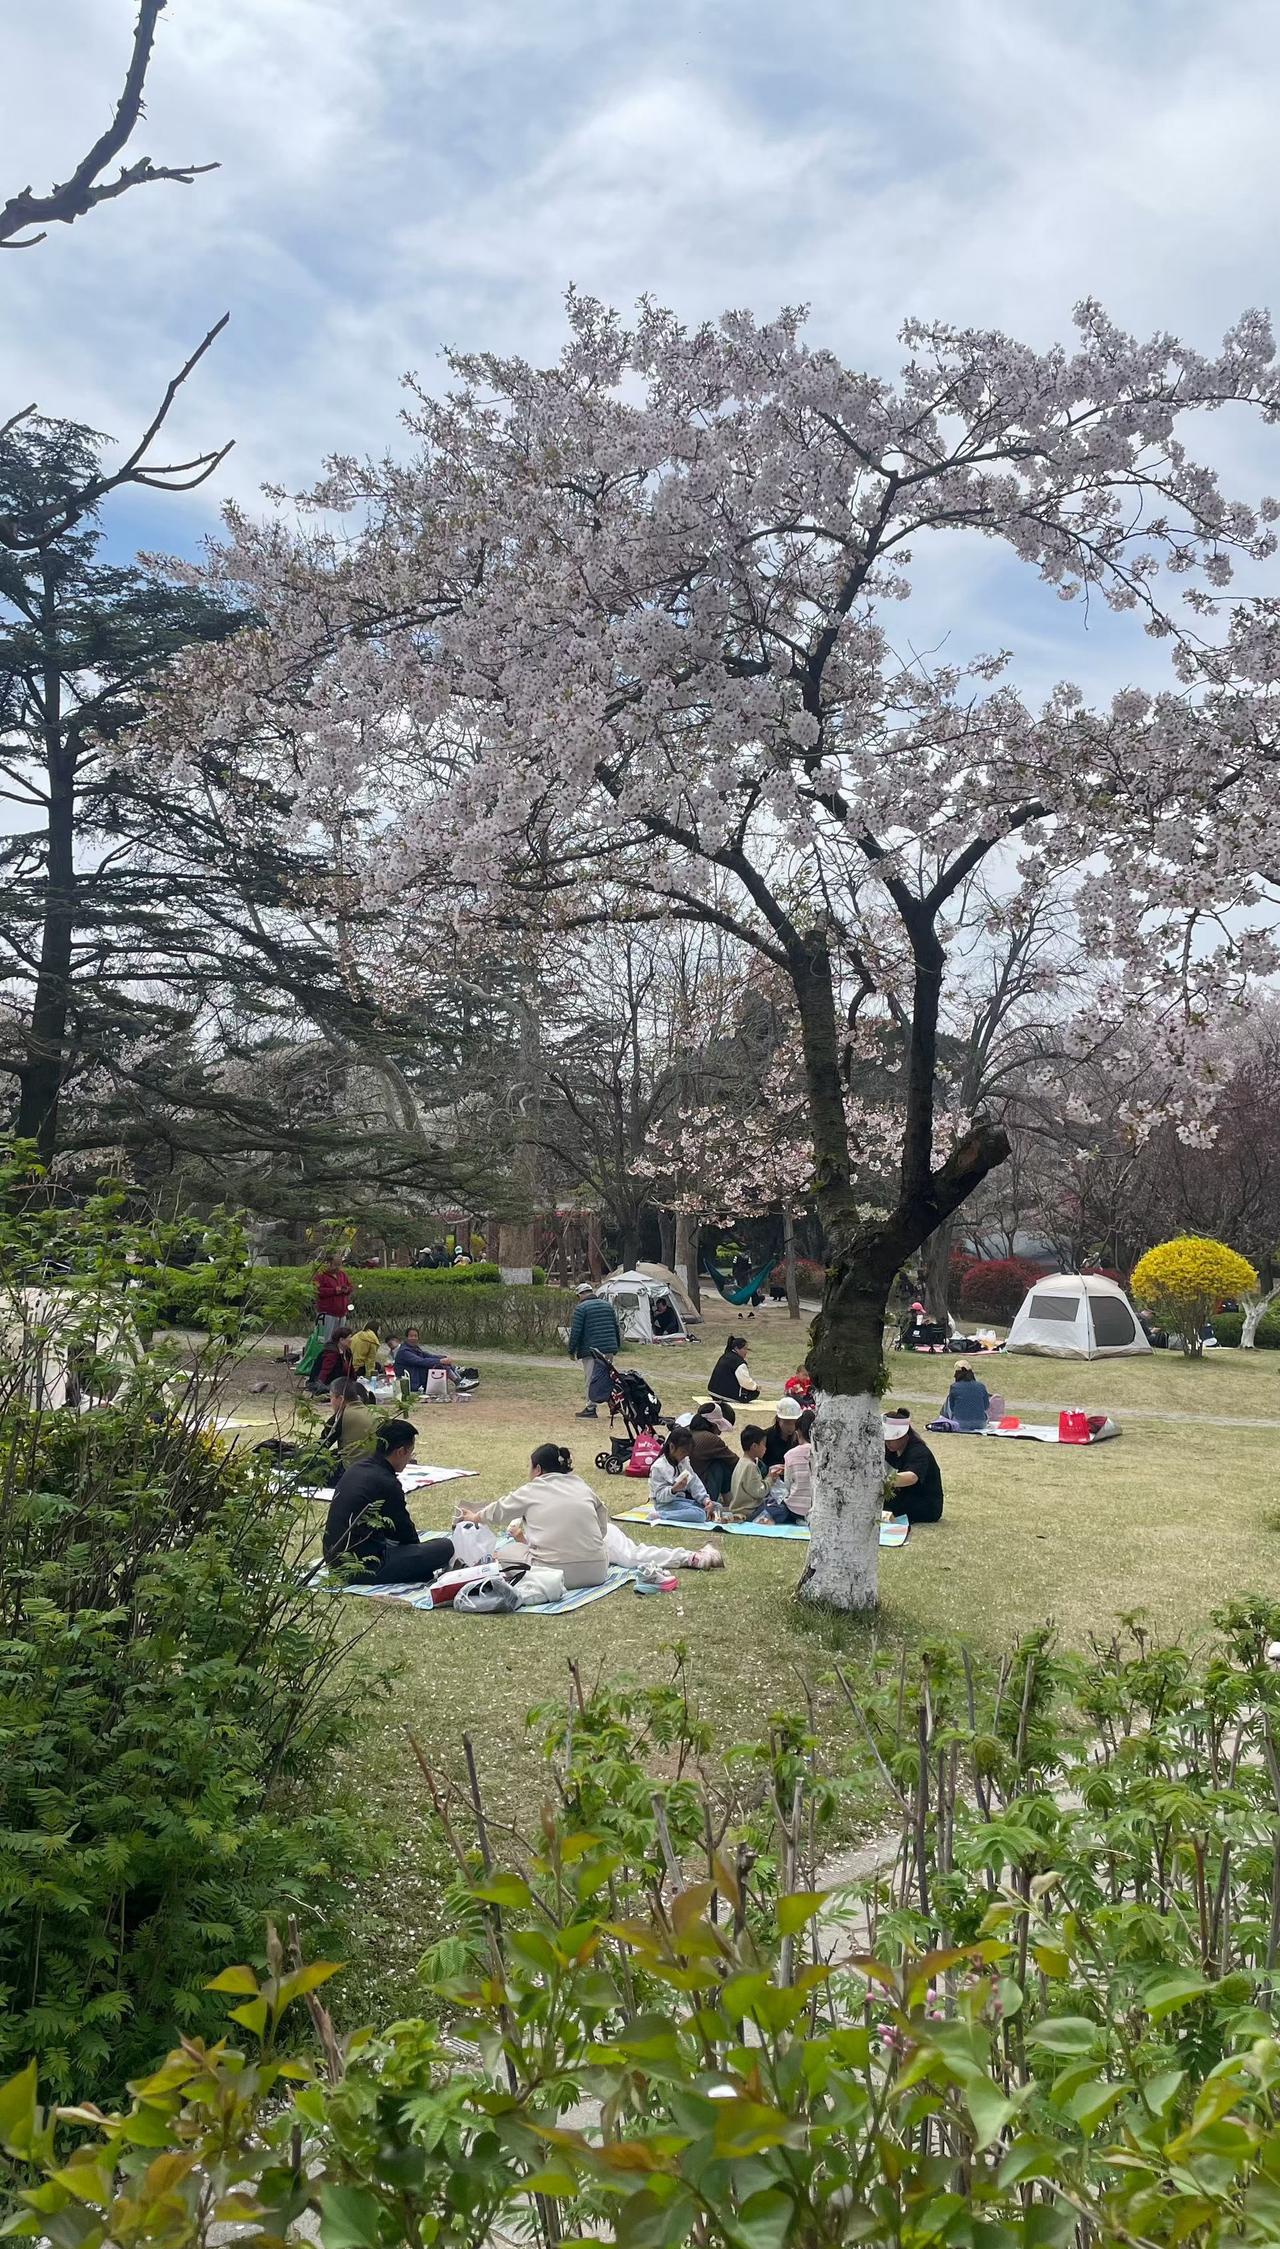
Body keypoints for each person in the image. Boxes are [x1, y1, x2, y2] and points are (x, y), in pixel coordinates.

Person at [459, 1442, 720, 1582]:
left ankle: (691, 1557)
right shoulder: (580, 1485)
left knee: (501, 1555)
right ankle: (691, 1557)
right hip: (597, 1563)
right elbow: (601, 1520)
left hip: (556, 1572)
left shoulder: (531, 1490)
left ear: (537, 1469)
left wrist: (475, 1516)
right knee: (633, 1554)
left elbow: (499, 1510)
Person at [323, 1419, 454, 1585]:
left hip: (334, 1561)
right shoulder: (386, 1482)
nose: (409, 1459)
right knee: (445, 1546)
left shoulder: (357, 1468)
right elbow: (405, 1534)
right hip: (364, 1567)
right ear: (400, 1452)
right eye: (410, 1453)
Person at [566, 1282, 621, 1418]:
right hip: (608, 1348)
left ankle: (591, 1408)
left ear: (580, 1295)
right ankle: (614, 1406)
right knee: (608, 1377)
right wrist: (616, 1346)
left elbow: (576, 1332)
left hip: (591, 1350)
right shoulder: (607, 1305)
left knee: (591, 1378)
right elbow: (616, 1327)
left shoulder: (581, 1308)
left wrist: (571, 1350)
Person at [883, 1407, 944, 1524]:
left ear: (905, 1436)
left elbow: (911, 1477)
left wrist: (882, 1482)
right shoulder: (889, 1450)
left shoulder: (919, 1451)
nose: (887, 1443)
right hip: (904, 1496)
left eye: (892, 1439)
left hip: (925, 1504)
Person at [649, 1429, 717, 1523]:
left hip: (682, 1502)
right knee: (700, 1515)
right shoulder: (658, 1467)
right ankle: (661, 1515)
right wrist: (673, 1490)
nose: (684, 1456)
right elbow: (659, 1496)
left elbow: (694, 1483)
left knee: (716, 1506)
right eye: (683, 1452)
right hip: (665, 1504)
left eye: (687, 1453)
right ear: (672, 1447)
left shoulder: (684, 1463)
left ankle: (701, 1512)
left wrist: (706, 1500)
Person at [394, 1329, 476, 1394]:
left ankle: (459, 1380)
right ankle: (458, 1382)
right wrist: (440, 1361)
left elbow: (428, 1355)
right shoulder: (404, 1352)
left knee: (442, 1362)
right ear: (406, 1338)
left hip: (418, 1374)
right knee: (439, 1365)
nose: (413, 1338)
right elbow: (420, 1361)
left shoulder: (415, 1349)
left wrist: (444, 1358)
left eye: (415, 1336)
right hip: (411, 1380)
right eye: (411, 1336)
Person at [686, 1405, 738, 1506]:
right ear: (713, 1425)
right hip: (696, 1493)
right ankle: (730, 1503)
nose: (719, 1433)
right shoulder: (710, 1439)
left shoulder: (687, 1431)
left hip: (678, 1489)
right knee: (722, 1463)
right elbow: (735, 1462)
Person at [322, 1378, 378, 1469]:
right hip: (375, 1467)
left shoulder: (342, 1416)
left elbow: (321, 1447)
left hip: (351, 1470)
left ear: (340, 1399)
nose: (330, 1402)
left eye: (331, 1397)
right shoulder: (372, 1412)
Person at [728, 1425, 781, 1519]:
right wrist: (770, 1478)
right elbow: (759, 1492)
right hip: (749, 1510)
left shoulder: (742, 1462)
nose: (765, 1448)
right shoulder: (750, 1466)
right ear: (754, 1446)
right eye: (763, 1444)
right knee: (781, 1509)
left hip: (741, 1507)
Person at [938, 1361, 991, 1433]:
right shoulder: (981, 1386)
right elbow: (986, 1406)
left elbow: (952, 1407)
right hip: (980, 1424)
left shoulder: (954, 1387)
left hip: (960, 1424)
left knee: (949, 1398)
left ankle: (942, 1418)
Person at [707, 1336, 761, 1404]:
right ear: (736, 1348)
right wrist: (756, 1387)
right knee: (755, 1392)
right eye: (744, 1349)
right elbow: (745, 1382)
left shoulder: (725, 1356)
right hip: (723, 1394)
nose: (746, 1352)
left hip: (712, 1391)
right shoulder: (739, 1362)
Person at [315, 1252, 352, 1342]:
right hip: (328, 1313)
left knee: (339, 1340)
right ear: (328, 1263)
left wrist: (347, 1290)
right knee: (327, 1339)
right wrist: (334, 1290)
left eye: (339, 1265)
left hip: (341, 1313)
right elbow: (317, 1291)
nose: (338, 1268)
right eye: (335, 1265)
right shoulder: (320, 1276)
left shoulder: (342, 1274)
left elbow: (350, 1286)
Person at [761, 1396, 803, 1471]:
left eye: (794, 1422)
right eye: (787, 1422)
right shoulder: (766, 1437)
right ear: (778, 1419)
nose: (791, 1427)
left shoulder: (800, 1438)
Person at [313, 1326, 355, 1392]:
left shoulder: (347, 1352)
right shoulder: (331, 1354)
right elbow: (324, 1371)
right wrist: (319, 1387)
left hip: (342, 1383)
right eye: (349, 1337)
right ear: (341, 1340)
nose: (351, 1340)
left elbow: (351, 1371)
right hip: (330, 1386)